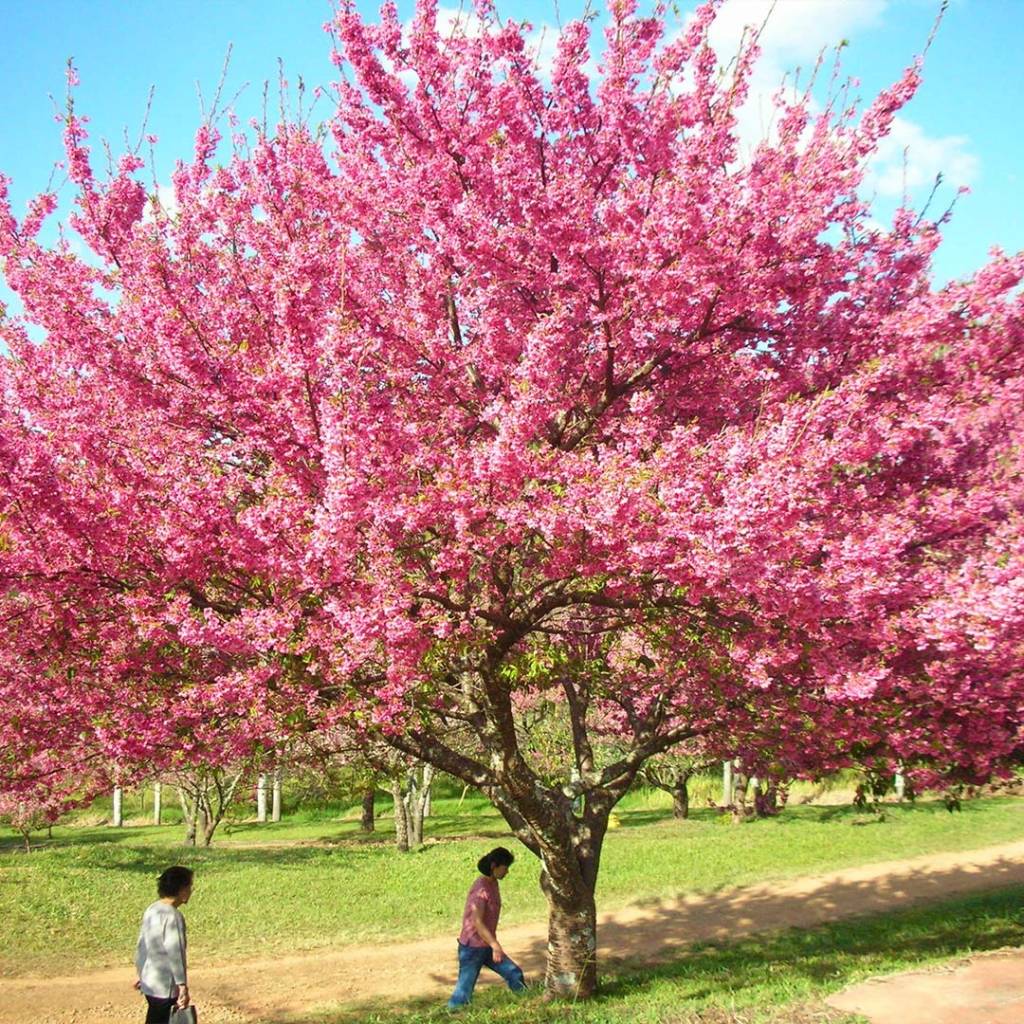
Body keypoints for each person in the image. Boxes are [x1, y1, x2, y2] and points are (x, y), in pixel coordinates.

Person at [447, 846, 527, 1010]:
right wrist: (495, 945)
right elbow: (477, 922)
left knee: (514, 973)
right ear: (493, 866)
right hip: (473, 948)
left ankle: (528, 1004)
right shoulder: (481, 889)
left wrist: (492, 945)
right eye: (505, 867)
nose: (507, 872)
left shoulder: (493, 883)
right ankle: (452, 1014)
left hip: (486, 945)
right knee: (463, 993)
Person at [134, 865, 193, 1023]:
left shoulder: (153, 909)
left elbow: (142, 945)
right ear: (181, 889)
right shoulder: (173, 916)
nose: (191, 891)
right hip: (165, 986)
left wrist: (141, 973)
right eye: (189, 886)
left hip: (150, 981)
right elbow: (176, 953)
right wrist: (182, 985)